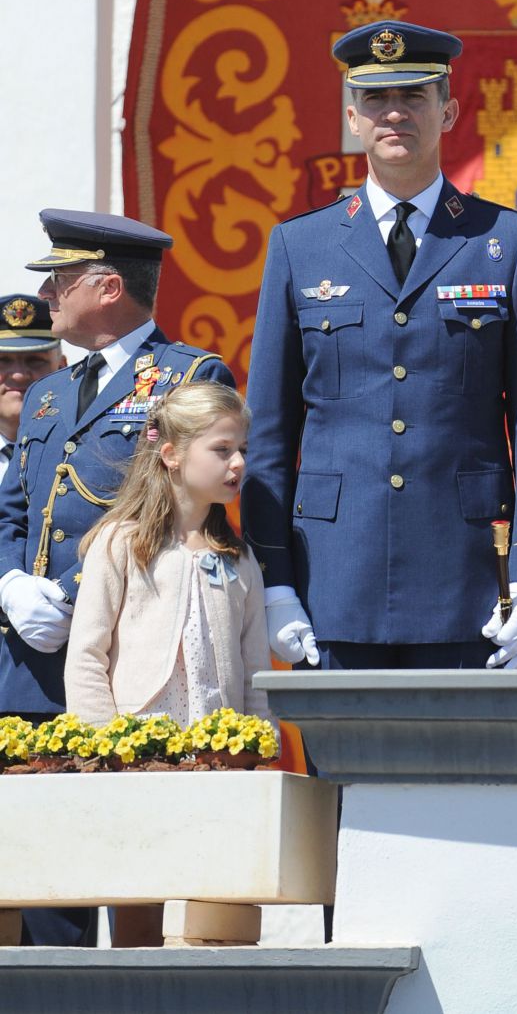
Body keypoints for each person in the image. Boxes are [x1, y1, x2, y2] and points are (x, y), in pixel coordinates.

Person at [242, 20, 517, 671]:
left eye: (414, 96)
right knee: (340, 771)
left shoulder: (505, 241)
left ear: (447, 110)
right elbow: (271, 431)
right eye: (376, 99)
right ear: (352, 117)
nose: (395, 113)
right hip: (335, 572)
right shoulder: (299, 247)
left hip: (468, 572)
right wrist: (273, 580)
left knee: (458, 770)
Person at [0, 210, 234, 947]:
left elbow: (191, 504)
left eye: (60, 277)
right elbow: (10, 507)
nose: (48, 292)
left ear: (105, 286)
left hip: (125, 654)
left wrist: (77, 596)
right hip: (30, 664)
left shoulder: (189, 376)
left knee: (133, 866)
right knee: (37, 871)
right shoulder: (47, 393)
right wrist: (9, 583)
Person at [64, 383, 273, 729]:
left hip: (218, 757)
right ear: (171, 455)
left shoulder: (240, 558)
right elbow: (86, 657)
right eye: (222, 450)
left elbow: (256, 671)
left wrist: (257, 746)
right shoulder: (120, 543)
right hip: (135, 753)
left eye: (242, 450)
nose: (239, 462)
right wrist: (103, 746)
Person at [0, 296, 64, 485]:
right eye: (3, 361)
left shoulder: (81, 452)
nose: (19, 375)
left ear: (62, 368)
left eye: (35, 360)